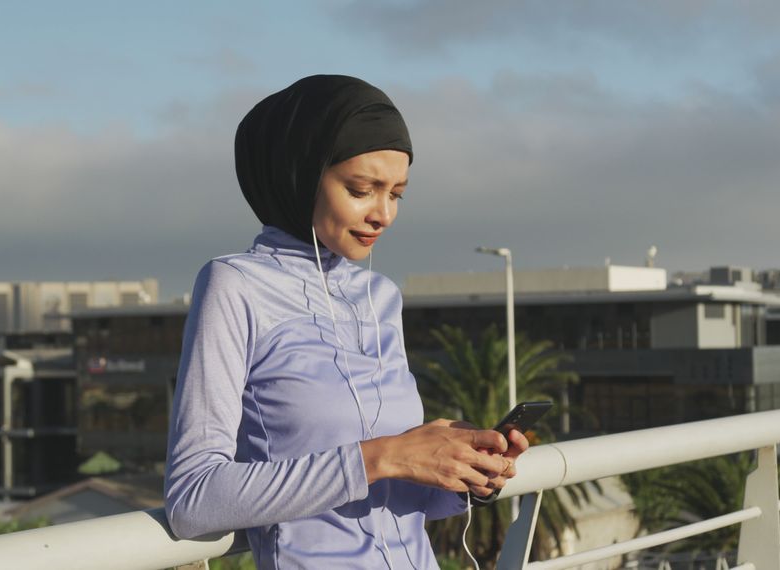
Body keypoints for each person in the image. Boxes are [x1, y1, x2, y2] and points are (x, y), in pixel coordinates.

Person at [163, 74, 531, 569]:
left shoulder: (380, 296)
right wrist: (383, 456)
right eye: (362, 189)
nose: (384, 214)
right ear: (301, 175)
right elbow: (193, 497)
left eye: (397, 194)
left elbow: (406, 505)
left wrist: (467, 472)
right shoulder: (234, 286)